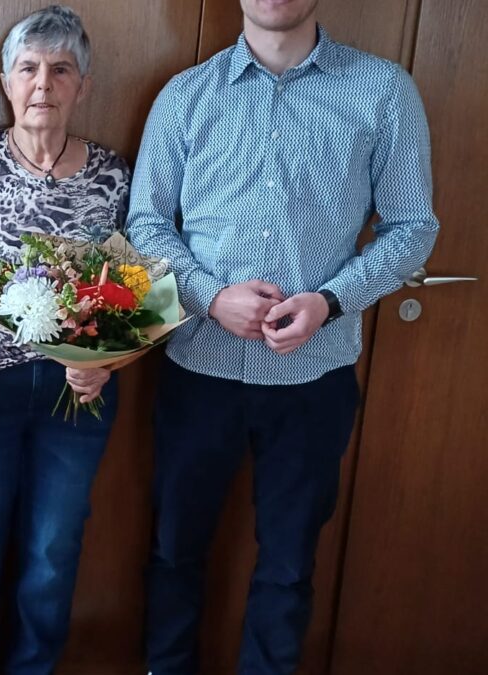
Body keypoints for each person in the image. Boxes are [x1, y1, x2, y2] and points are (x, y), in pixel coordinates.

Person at [127, 1, 439, 673]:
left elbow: (414, 225)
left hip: (314, 377)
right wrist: (210, 296)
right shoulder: (186, 96)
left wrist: (330, 301)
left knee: (290, 561)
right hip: (198, 369)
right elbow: (145, 223)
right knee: (175, 548)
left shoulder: (383, 91)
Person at [0, 6, 129, 674]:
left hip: (77, 396)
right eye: (29, 68)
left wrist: (107, 361)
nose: (44, 83)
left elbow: (131, 293)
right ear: (7, 81)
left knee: (53, 549)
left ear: (82, 86)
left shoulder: (113, 175)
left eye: (61, 69)